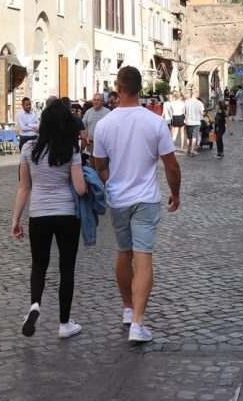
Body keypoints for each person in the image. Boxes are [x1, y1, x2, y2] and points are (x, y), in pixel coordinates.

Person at [92, 66, 181, 344]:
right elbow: (172, 166)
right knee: (143, 258)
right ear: (140, 88)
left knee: (123, 253)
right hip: (146, 199)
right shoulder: (154, 122)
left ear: (117, 88)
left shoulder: (104, 124)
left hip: (118, 198)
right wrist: (175, 194)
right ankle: (138, 324)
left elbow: (98, 166)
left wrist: (110, 183)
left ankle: (128, 310)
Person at [11, 101, 88, 339]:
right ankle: (64, 324)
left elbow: (24, 187)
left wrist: (16, 220)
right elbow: (80, 189)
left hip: (39, 214)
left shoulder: (29, 150)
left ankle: (35, 305)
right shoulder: (72, 150)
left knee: (39, 264)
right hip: (66, 215)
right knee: (66, 268)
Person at [82, 93, 111, 158]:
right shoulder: (88, 112)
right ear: (92, 101)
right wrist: (85, 137)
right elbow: (82, 125)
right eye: (94, 100)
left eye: (98, 100)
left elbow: (111, 129)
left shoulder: (108, 112)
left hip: (103, 145)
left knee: (101, 166)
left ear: (102, 101)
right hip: (90, 144)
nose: (96, 101)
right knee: (90, 166)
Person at [183, 90, 205, 157]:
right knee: (194, 137)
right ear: (196, 94)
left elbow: (184, 112)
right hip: (196, 122)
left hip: (189, 122)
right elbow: (202, 113)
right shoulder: (199, 103)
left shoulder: (186, 102)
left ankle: (188, 149)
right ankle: (192, 151)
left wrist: (186, 117)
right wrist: (204, 113)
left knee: (189, 137)